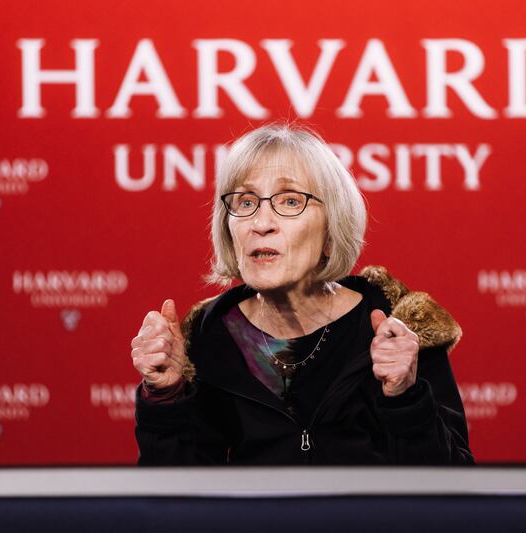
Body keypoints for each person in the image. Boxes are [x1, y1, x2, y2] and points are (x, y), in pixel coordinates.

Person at [130, 122, 474, 465]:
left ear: (331, 229)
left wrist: (405, 397)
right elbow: (179, 503)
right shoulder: (210, 333)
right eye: (245, 202)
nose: (260, 223)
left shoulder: (399, 325)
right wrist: (167, 396)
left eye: (290, 201)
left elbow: (453, 490)